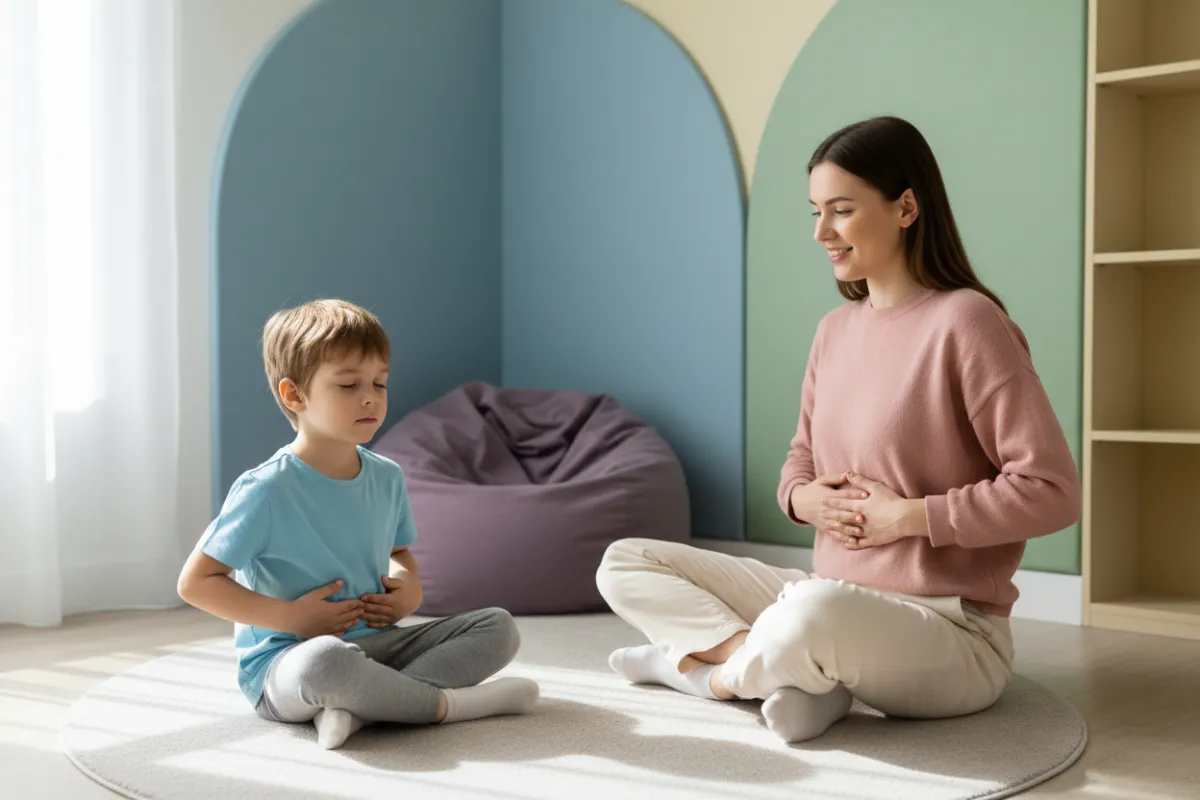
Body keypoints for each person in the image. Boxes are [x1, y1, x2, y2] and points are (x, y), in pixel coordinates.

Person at [595, 115, 1080, 744]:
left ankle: (698, 672)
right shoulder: (835, 330)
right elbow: (800, 459)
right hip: (828, 595)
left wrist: (907, 517)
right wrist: (803, 500)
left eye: (842, 210)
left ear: (906, 207)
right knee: (626, 561)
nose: (822, 231)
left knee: (811, 613)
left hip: (950, 629)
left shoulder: (968, 323)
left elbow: (1052, 490)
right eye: (815, 211)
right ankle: (798, 676)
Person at [177, 299, 538, 749]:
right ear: (295, 396)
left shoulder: (387, 477)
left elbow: (400, 553)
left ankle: (364, 710)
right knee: (325, 664)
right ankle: (452, 706)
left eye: (379, 384)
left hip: (379, 648)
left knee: (497, 627)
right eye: (348, 385)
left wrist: (411, 588)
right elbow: (196, 584)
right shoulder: (266, 490)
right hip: (288, 662)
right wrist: (292, 617)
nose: (370, 397)